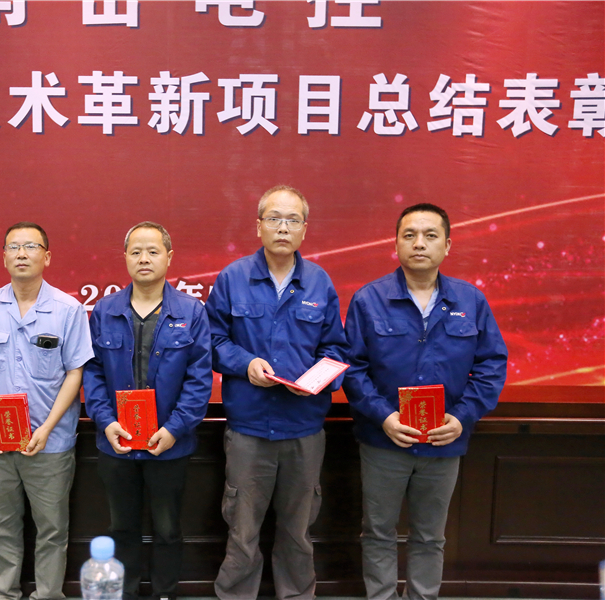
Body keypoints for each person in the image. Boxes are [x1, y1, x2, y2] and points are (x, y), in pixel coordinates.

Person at [342, 203, 507, 600]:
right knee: (378, 532)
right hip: (384, 440)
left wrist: (462, 417)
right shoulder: (369, 300)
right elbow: (351, 368)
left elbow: (492, 366)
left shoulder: (471, 301)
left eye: (430, 236)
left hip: (443, 440)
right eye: (409, 235)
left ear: (447, 245)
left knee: (430, 536)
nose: (419, 244)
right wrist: (383, 417)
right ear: (396, 243)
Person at [205, 186, 347, 600]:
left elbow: (336, 349)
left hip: (304, 429)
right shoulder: (232, 278)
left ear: (304, 229)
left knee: (298, 533)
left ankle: (297, 596)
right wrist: (245, 363)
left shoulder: (319, 282)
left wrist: (319, 379)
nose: (283, 228)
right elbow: (212, 340)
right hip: (249, 430)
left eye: (292, 220)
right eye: (274, 219)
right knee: (242, 531)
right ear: (259, 226)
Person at [0, 222, 94, 600]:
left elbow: (75, 373)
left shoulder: (68, 309)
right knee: (0, 528)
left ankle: (48, 595)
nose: (21, 253)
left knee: (52, 529)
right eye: (13, 247)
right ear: (3, 256)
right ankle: (1, 594)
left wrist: (47, 428)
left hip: (49, 442)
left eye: (31, 246)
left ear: (47, 257)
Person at [83, 222, 212, 600]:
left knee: (168, 529)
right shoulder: (105, 310)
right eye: (136, 251)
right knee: (121, 528)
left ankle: (164, 594)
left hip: (170, 444)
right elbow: (92, 373)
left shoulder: (191, 311)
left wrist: (173, 429)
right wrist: (106, 421)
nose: (144, 258)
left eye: (153, 251)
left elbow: (199, 380)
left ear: (169, 258)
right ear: (125, 258)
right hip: (116, 444)